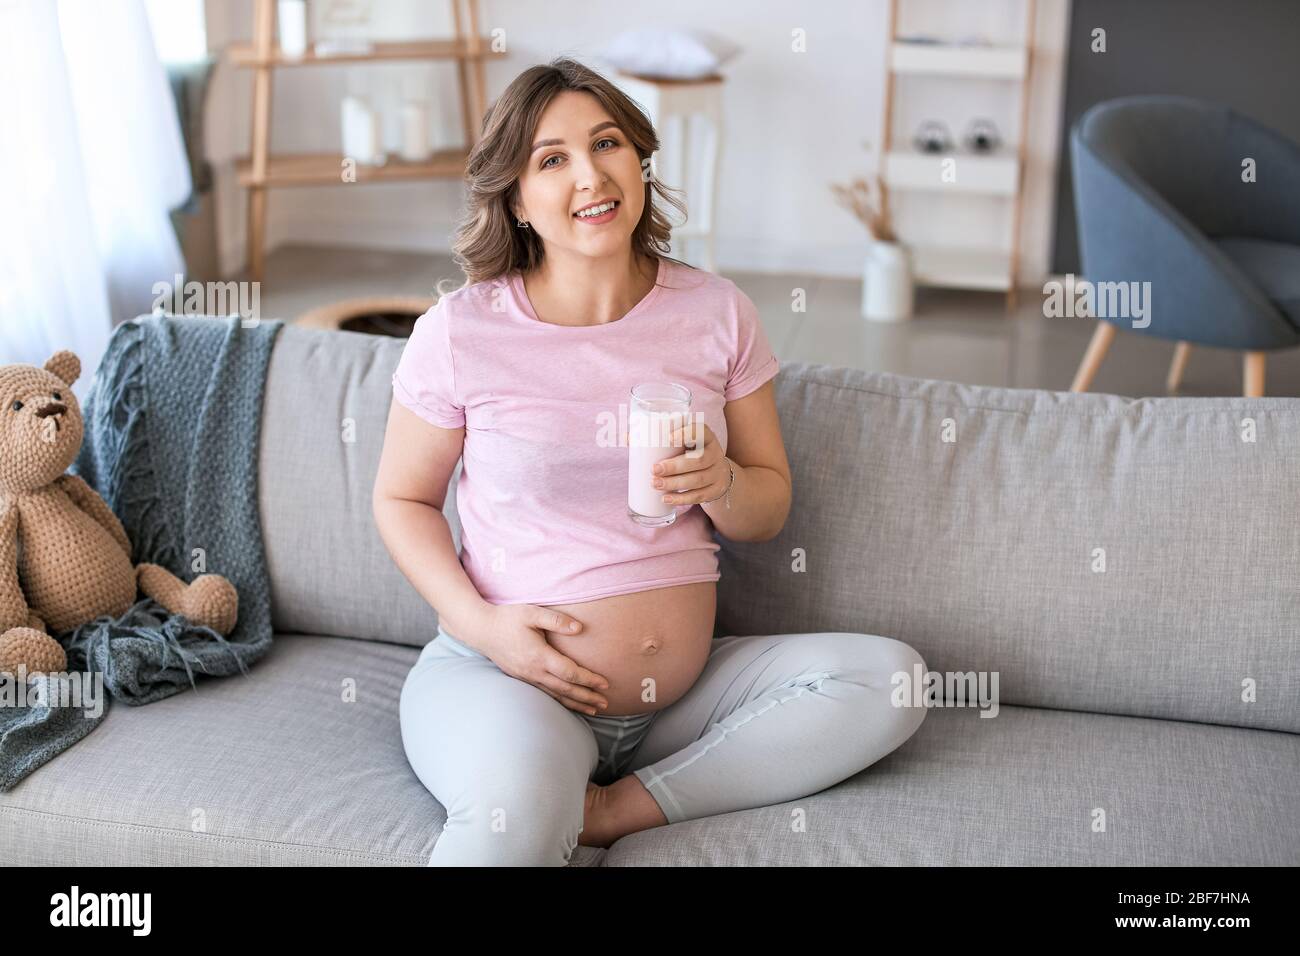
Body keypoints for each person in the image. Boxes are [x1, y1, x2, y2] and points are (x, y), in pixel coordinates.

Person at [372, 57, 928, 866]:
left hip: (683, 701)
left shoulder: (716, 313)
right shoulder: (461, 332)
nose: (591, 175)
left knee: (895, 680)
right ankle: (553, 796)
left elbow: (768, 510)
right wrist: (488, 630)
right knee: (513, 822)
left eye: (607, 143)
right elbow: (401, 501)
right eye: (551, 159)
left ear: (639, 158)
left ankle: (614, 811)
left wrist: (725, 482)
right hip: (510, 682)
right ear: (516, 198)